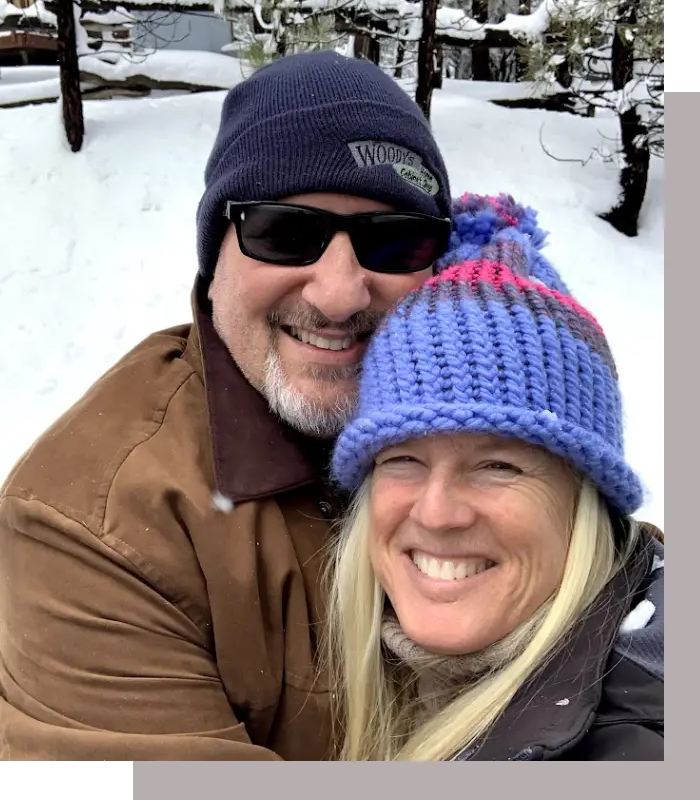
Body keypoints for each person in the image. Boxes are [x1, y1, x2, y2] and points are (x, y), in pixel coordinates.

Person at [0, 50, 453, 762]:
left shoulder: (488, 406)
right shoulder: (94, 527)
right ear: (216, 260)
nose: (339, 294)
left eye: (394, 239)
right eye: (284, 232)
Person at [324, 191, 664, 761]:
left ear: (585, 496)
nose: (435, 512)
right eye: (402, 459)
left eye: (498, 465)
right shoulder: (387, 672)